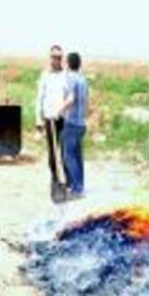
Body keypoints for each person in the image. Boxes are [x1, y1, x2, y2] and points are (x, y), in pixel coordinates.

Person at [34, 45, 68, 195]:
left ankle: (66, 180)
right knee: (53, 152)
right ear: (50, 58)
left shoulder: (66, 75)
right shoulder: (45, 75)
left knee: (65, 151)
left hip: (64, 118)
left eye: (59, 57)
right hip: (49, 118)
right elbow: (39, 98)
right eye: (54, 57)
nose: (56, 60)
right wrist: (38, 119)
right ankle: (54, 180)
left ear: (62, 59)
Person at [59, 52, 89, 198]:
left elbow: (70, 99)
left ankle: (76, 188)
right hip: (81, 123)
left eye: (65, 62)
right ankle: (80, 186)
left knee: (68, 156)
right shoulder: (83, 80)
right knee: (77, 156)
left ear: (68, 64)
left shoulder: (71, 78)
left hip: (71, 123)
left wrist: (58, 110)